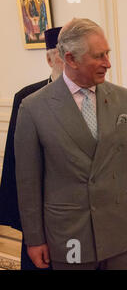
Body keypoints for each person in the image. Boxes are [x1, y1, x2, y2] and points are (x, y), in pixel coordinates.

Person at [14, 18, 127, 270]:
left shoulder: (122, 98)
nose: (108, 63)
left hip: (120, 226)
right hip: (69, 234)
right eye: (99, 57)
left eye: (107, 54)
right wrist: (34, 239)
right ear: (71, 59)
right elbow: (28, 182)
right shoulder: (33, 108)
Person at [0, 27, 63, 270]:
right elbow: (17, 162)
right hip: (42, 204)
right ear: (49, 59)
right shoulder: (27, 98)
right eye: (62, 53)